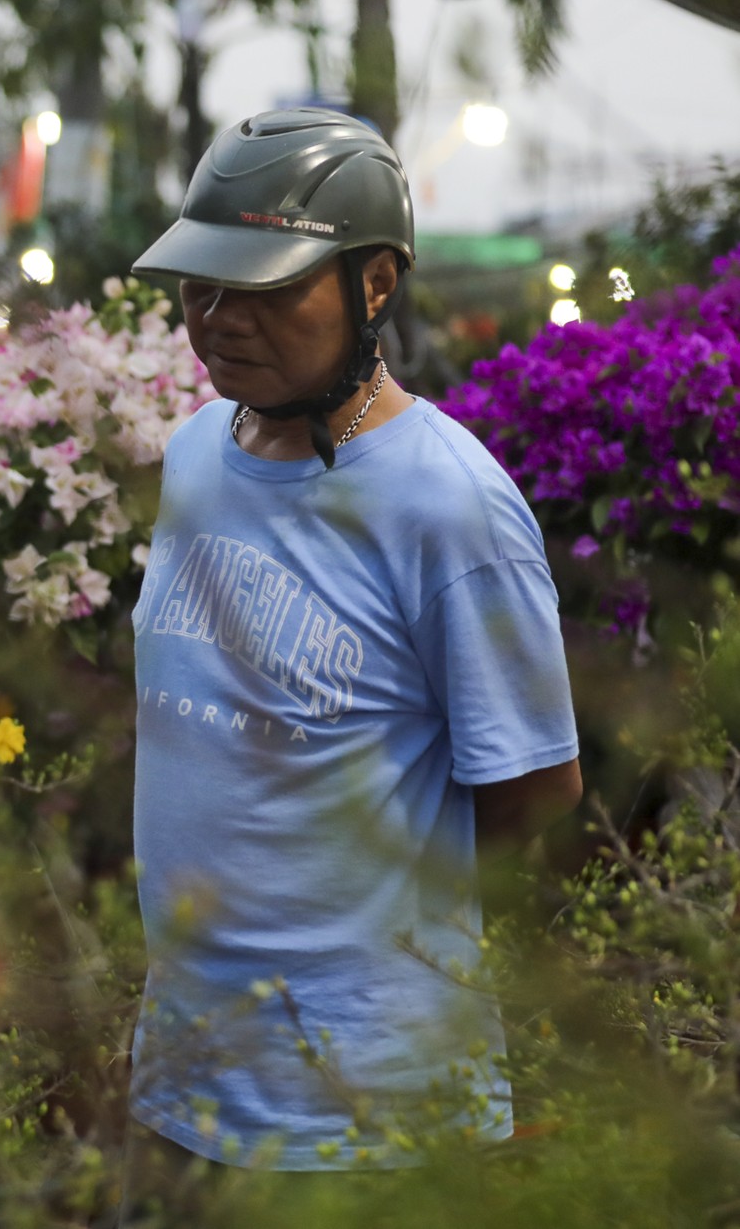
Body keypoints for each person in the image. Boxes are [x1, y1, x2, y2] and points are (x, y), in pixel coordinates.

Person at [119, 109, 583, 1189]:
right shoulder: (195, 452)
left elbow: (533, 790)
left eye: (265, 287)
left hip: (369, 1115)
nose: (219, 319)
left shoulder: (449, 504)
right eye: (199, 283)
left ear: (372, 284)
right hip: (184, 1082)